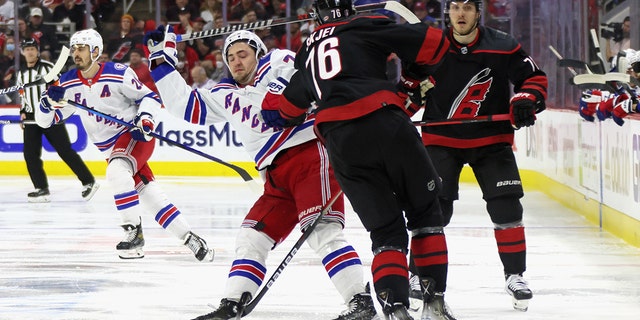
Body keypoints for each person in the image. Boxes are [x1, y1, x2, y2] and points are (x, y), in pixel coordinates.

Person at [145, 27, 377, 320]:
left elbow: (304, 72)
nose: (237, 61)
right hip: (275, 175)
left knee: (322, 231)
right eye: (230, 57)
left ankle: (361, 302)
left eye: (243, 54)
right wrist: (160, 62)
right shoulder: (222, 93)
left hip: (310, 155)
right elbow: (184, 106)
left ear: (258, 54)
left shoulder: (277, 60)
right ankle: (231, 303)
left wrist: (278, 93)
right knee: (252, 236)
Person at [265, 0, 454, 319]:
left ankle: (395, 308)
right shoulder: (367, 24)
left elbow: (280, 113)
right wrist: (409, 79)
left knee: (385, 233)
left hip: (343, 144)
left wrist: (275, 85)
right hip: (386, 124)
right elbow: (436, 45)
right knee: (425, 216)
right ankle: (433, 306)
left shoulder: (306, 54)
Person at [33, 28, 214, 262]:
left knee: (117, 172)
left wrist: (145, 119)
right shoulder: (68, 83)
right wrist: (47, 103)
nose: (76, 53)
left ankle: (133, 232)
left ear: (95, 51)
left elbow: (149, 97)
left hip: (134, 135)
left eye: (81, 48)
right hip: (112, 150)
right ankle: (190, 238)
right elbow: (44, 122)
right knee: (149, 194)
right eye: (74, 48)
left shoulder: (118, 73)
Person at [416, 0, 548, 313]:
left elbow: (534, 78)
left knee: (507, 206)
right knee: (434, 211)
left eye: (468, 7)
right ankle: (415, 275)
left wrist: (526, 99)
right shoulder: (429, 47)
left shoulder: (503, 46)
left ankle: (515, 275)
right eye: (455, 7)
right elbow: (408, 87)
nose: (461, 13)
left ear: (478, 12)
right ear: (447, 12)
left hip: (491, 140)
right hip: (441, 139)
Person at [17, 37, 98, 203]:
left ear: (37, 51)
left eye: (32, 48)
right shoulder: (21, 73)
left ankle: (88, 181)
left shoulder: (48, 68)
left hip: (49, 115)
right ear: (23, 52)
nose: (30, 52)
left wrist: (56, 103)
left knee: (64, 150)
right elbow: (22, 95)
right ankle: (41, 189)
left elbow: (61, 86)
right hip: (31, 119)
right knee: (30, 155)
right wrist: (23, 112)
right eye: (27, 49)